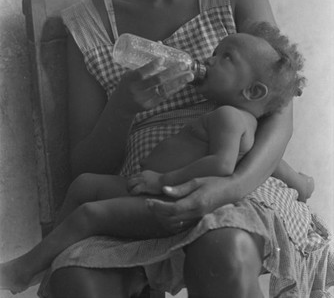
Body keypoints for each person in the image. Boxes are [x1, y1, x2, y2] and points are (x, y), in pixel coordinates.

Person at [16, 0, 334, 297]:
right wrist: (123, 107)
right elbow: (84, 169)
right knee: (76, 284)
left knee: (224, 248)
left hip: (239, 184)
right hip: (143, 191)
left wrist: (229, 187)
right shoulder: (87, 28)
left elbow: (279, 109)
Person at [0, 22, 314, 295]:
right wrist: (302, 183)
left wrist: (163, 179)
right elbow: (275, 166)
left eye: (226, 58)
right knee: (84, 185)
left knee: (89, 214)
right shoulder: (240, 122)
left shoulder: (229, 118)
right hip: (153, 188)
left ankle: (25, 270)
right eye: (215, 51)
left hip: (172, 201)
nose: (210, 59)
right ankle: (48, 254)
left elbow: (221, 166)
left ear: (254, 92)